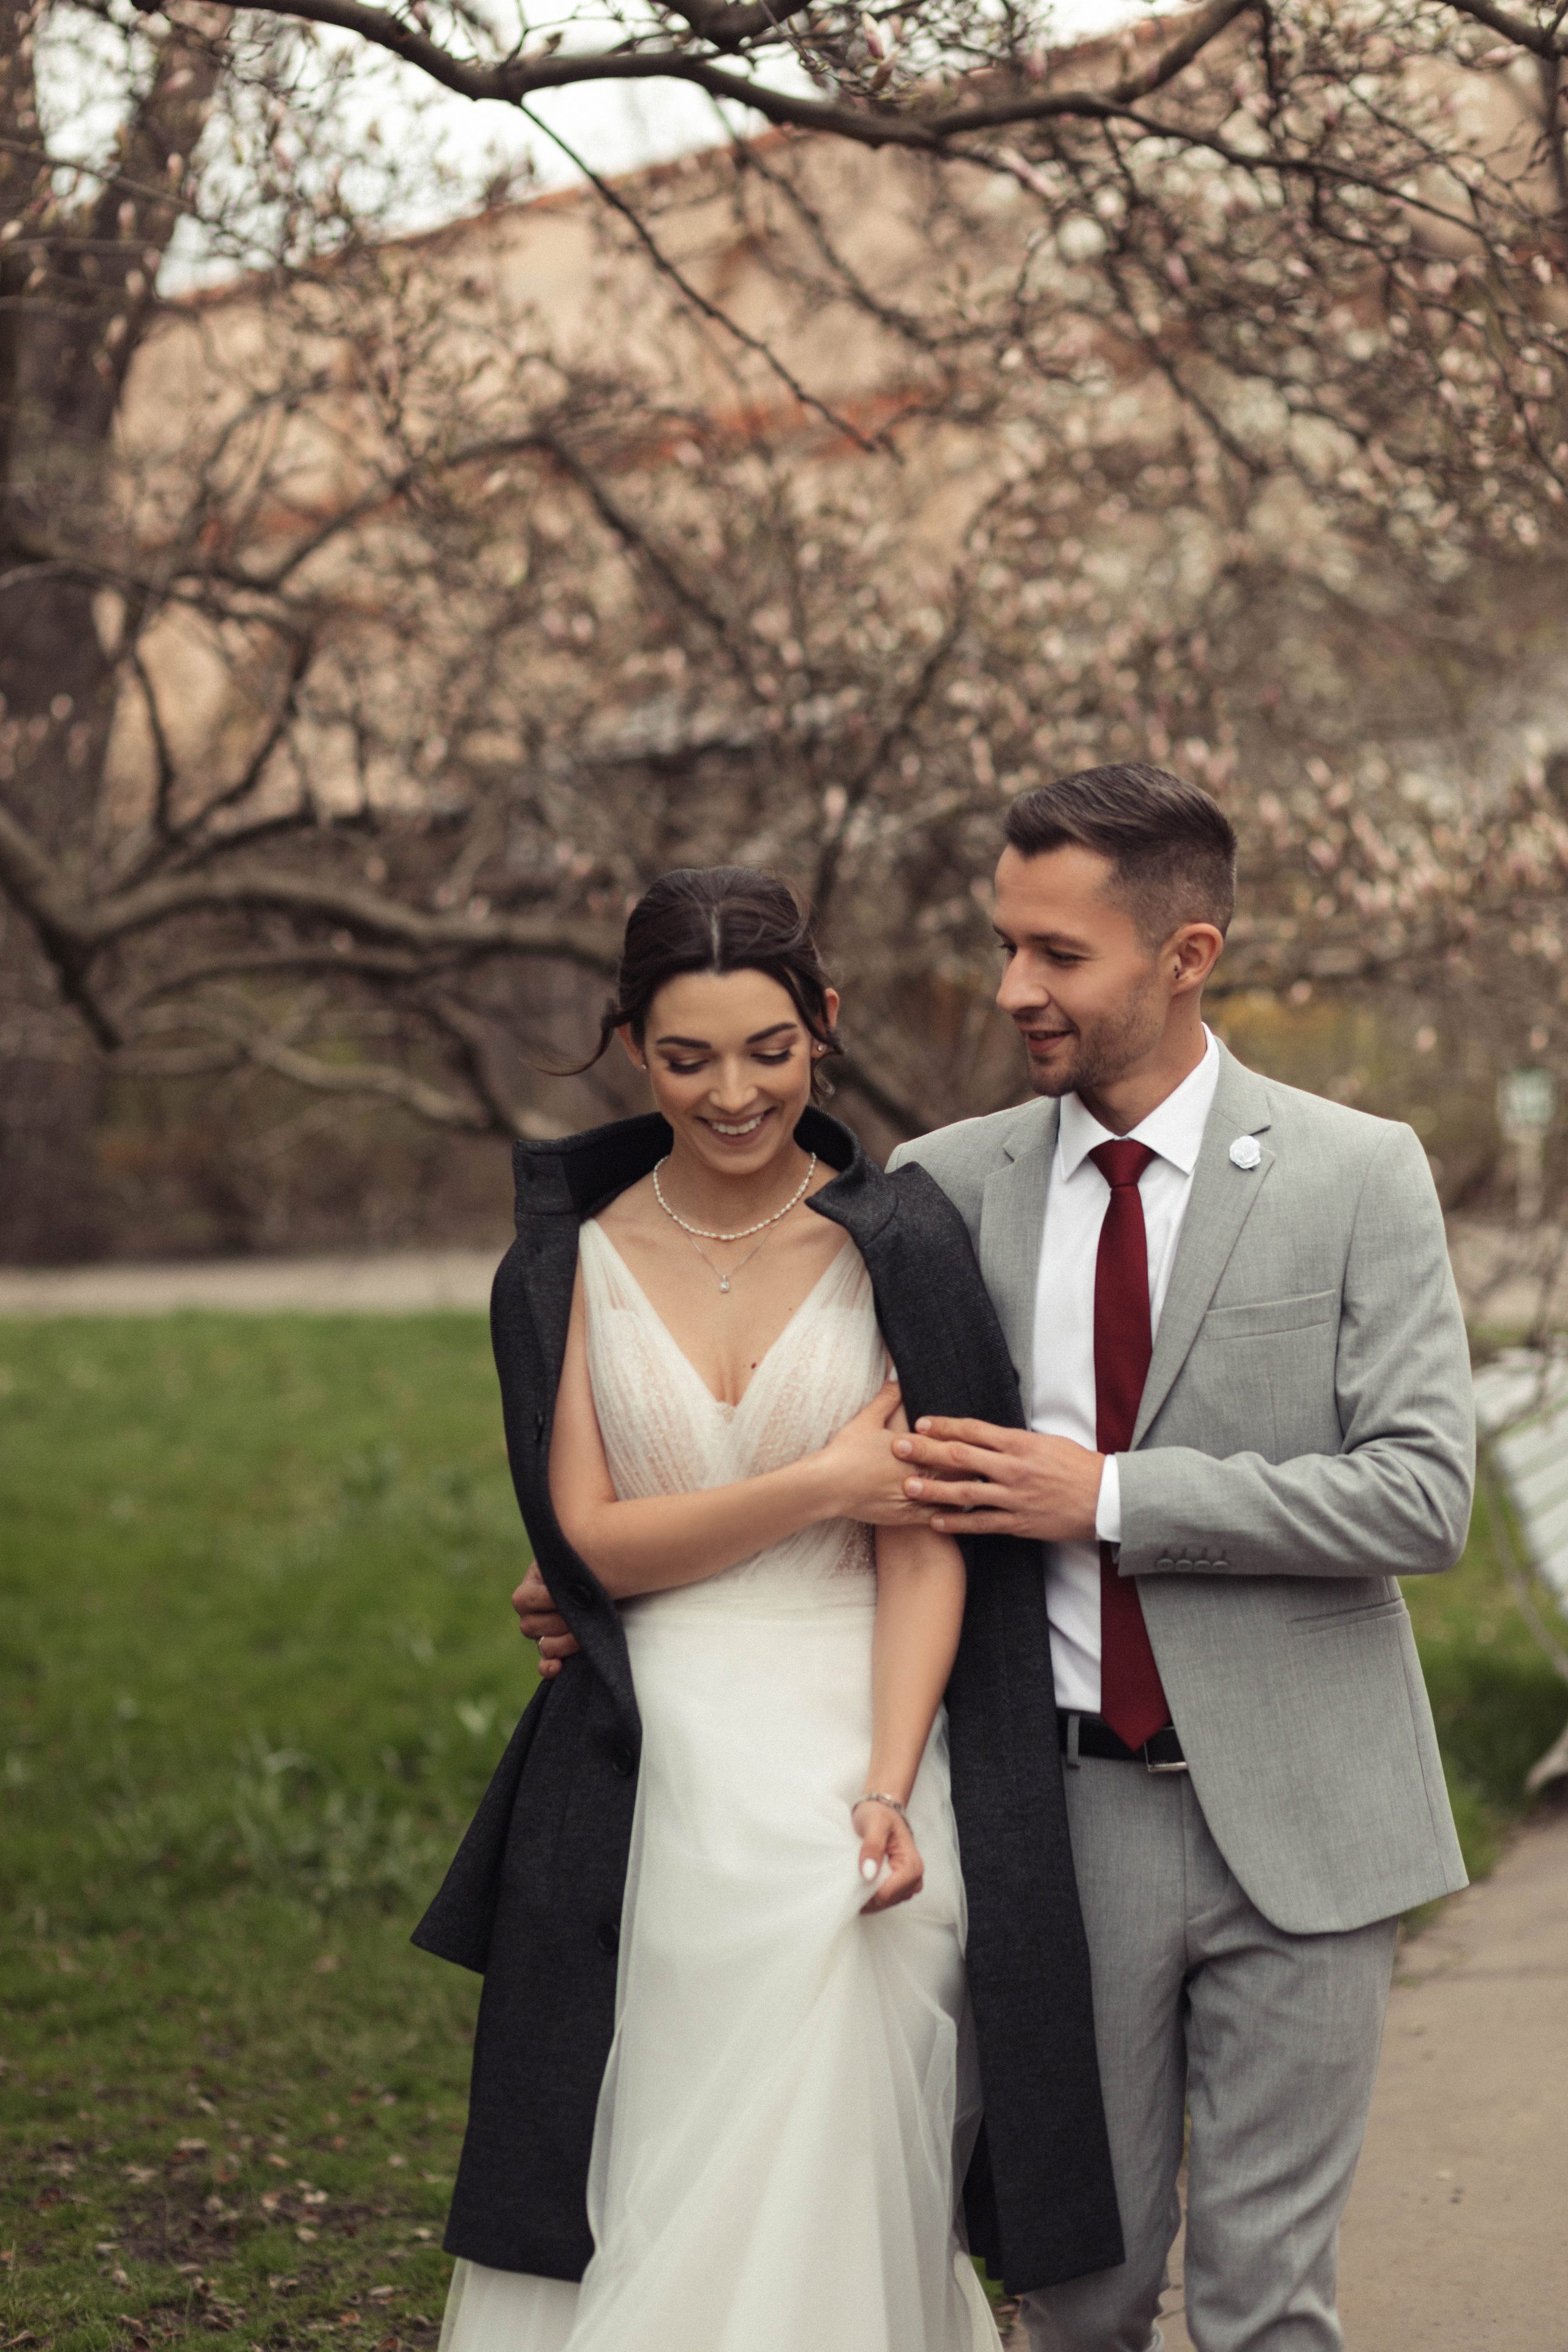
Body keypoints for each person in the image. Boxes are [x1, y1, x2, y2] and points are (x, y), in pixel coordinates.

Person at [413, 866, 1121, 2352]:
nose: (731, 1094)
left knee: (853, 2075)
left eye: (768, 1052)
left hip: (860, 1731)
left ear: (825, 1027)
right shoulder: (567, 1263)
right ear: (629, 1047)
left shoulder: (902, 1244)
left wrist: (886, 1782)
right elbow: (589, 1547)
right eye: (685, 1059)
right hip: (649, 1751)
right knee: (651, 2137)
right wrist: (819, 1483)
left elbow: (927, 1544)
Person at [883, 764, 1476, 2352]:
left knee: (1270, 2307)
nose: (1015, 987)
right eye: (1008, 943)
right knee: (1076, 2299)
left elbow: (1424, 1497)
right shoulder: (944, 1188)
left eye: (1058, 954)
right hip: (1058, 1822)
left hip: (1315, 1812)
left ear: (1186, 954)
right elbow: (859, 1471)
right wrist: (615, 1595)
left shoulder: (1363, 1173)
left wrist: (1116, 1498)